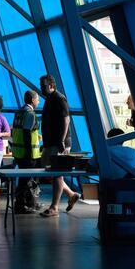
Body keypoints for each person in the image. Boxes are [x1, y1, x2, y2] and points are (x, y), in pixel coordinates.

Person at [39, 75, 80, 217]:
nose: (41, 89)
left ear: (51, 85)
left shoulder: (59, 98)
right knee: (48, 171)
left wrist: (61, 140)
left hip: (58, 143)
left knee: (56, 173)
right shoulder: (49, 99)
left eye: (43, 86)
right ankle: (71, 194)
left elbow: (66, 120)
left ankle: (54, 207)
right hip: (50, 142)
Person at [11, 90, 43, 214]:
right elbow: (26, 133)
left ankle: (28, 202)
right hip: (27, 153)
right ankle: (21, 204)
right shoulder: (30, 114)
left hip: (18, 152)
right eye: (37, 99)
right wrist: (29, 153)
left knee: (25, 179)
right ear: (32, 100)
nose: (39, 102)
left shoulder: (18, 113)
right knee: (26, 179)